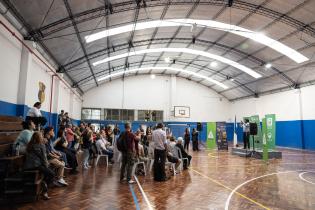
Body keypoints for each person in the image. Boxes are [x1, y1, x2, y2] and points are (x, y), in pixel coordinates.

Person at [24, 132, 55, 200]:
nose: (42, 137)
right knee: (52, 174)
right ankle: (45, 190)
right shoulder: (41, 145)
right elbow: (43, 157)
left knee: (48, 170)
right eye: (41, 136)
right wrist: (47, 166)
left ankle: (43, 183)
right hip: (36, 165)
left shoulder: (29, 145)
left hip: (27, 166)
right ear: (39, 138)